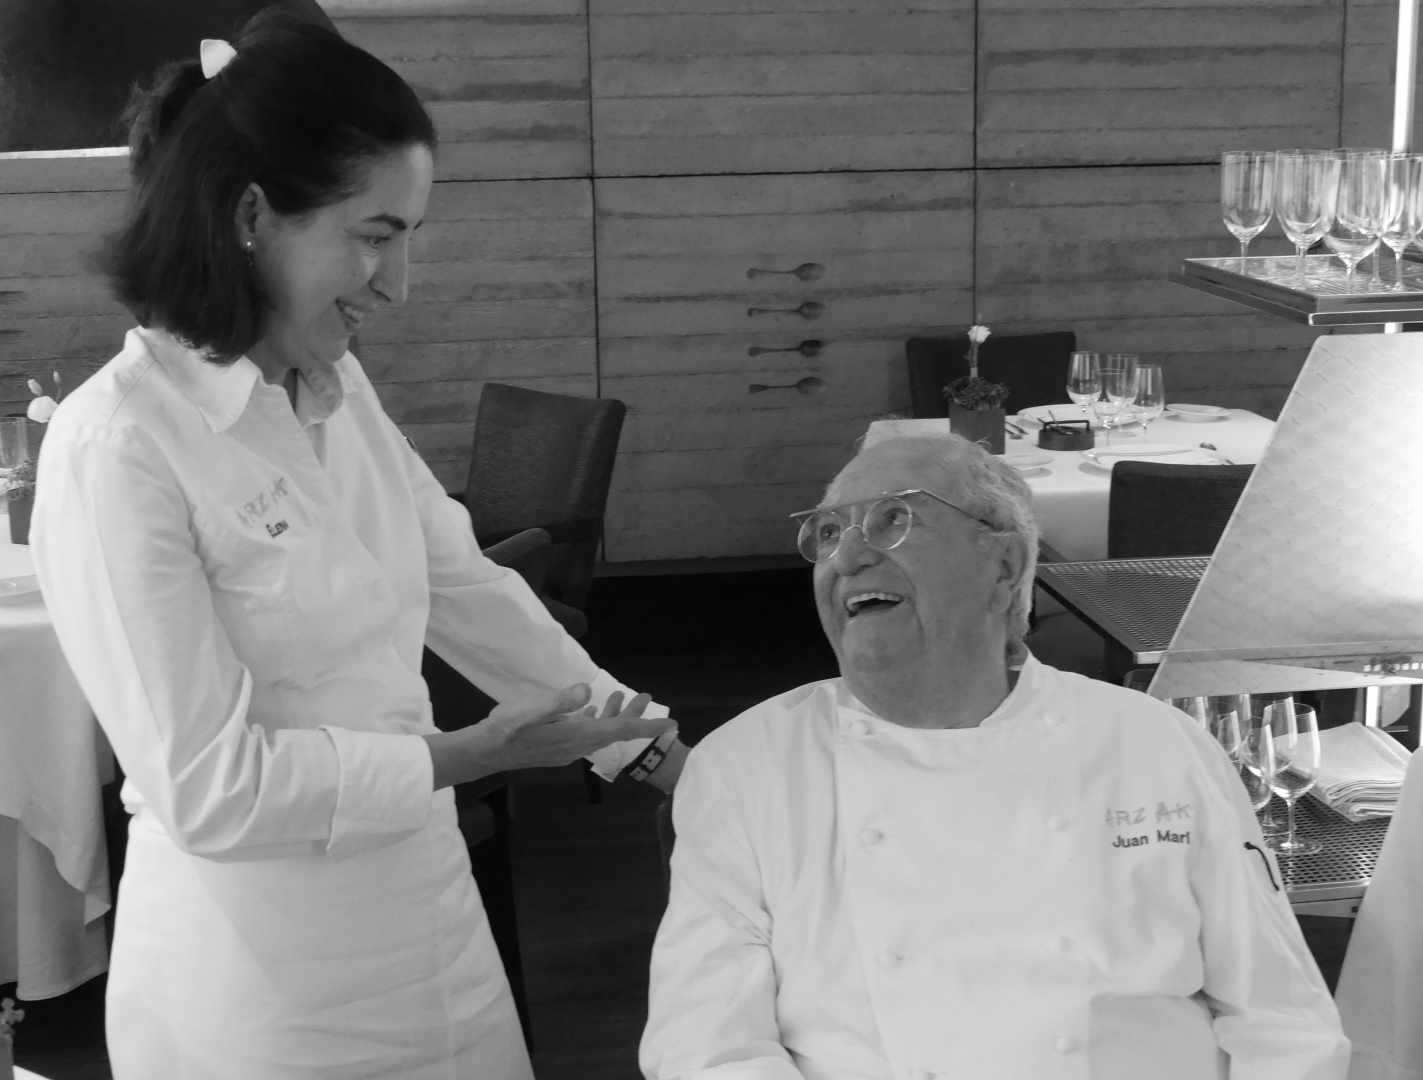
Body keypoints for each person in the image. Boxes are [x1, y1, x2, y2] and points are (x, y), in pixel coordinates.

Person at [30, 11, 684, 1079]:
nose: (399, 284)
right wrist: (467, 757)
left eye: (410, 237)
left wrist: (652, 750)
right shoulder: (121, 445)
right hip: (261, 976)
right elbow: (212, 788)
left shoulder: (335, 390)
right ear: (251, 215)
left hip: (424, 915)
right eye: (375, 236)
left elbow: (462, 585)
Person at [640, 434, 1350, 1080]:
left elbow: (1283, 1020)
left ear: (1005, 565)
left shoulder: (1157, 745)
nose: (848, 557)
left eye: (893, 519)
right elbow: (707, 1050)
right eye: (827, 532)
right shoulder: (747, 769)